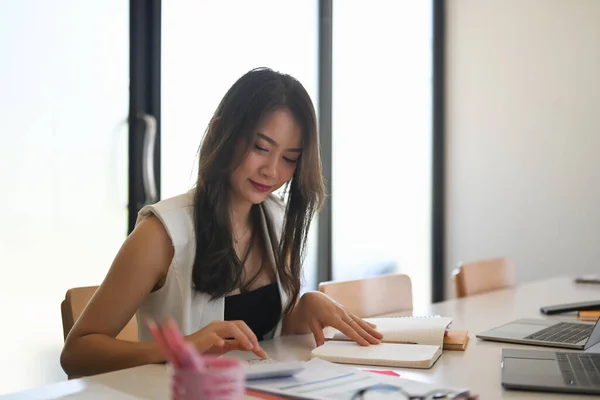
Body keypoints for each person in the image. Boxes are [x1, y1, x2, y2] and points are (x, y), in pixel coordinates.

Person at [60, 67, 382, 377]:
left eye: (289, 159)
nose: (271, 171)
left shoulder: (277, 218)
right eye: (260, 148)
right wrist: (182, 348)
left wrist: (305, 308)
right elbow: (77, 354)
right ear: (219, 133)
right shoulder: (162, 234)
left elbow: (267, 336)